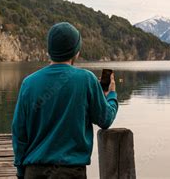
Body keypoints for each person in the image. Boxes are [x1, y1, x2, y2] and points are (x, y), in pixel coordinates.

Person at [12, 22, 118, 179]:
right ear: (76, 52)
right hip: (71, 172)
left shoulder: (29, 82)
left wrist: (21, 171)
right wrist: (111, 96)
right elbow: (105, 119)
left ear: (49, 50)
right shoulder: (87, 79)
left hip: (34, 171)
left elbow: (19, 132)